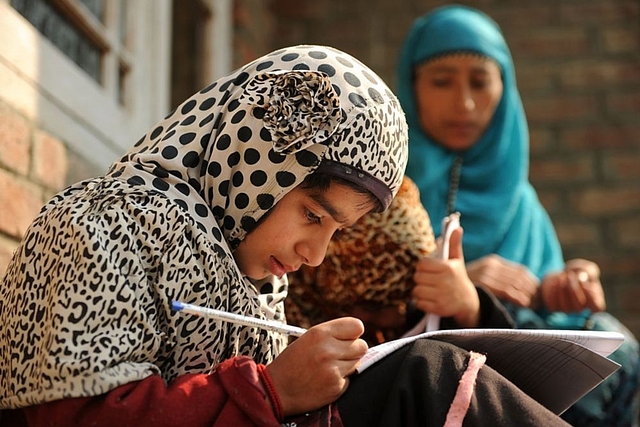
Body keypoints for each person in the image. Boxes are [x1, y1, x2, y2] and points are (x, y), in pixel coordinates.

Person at [0, 45, 570, 426]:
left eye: (337, 231)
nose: (315, 255)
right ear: (255, 163)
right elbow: (75, 415)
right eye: (313, 215)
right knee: (426, 378)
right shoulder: (103, 223)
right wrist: (271, 391)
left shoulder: (242, 258)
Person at [396, 5, 640, 426]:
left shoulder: (520, 201)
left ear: (505, 91)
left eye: (480, 82)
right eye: (441, 81)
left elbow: (545, 312)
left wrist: (557, 290)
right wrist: (463, 282)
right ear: (411, 86)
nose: (465, 102)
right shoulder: (379, 190)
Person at [286, 175, 515, 346]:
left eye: (408, 301)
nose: (396, 317)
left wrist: (471, 310)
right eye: (372, 307)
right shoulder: (278, 336)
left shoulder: (408, 319)